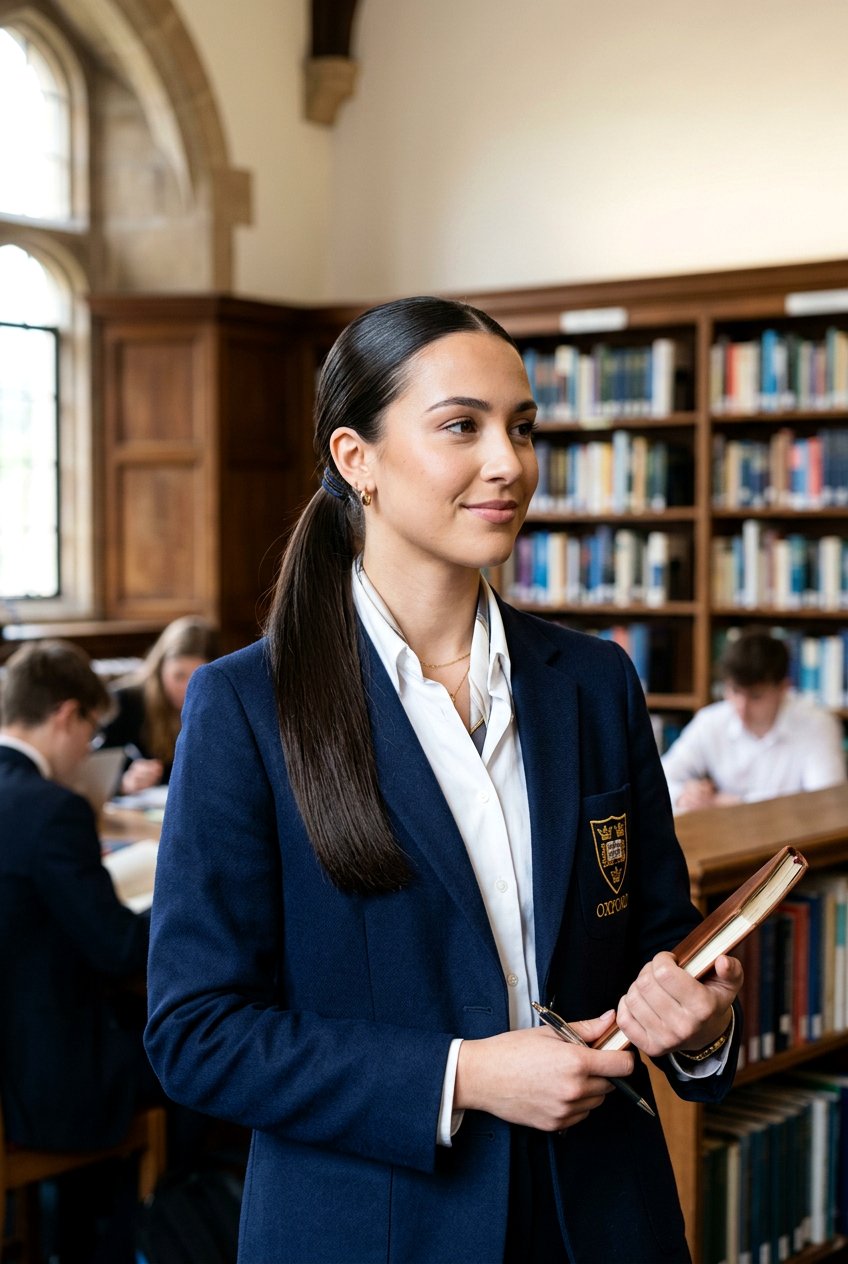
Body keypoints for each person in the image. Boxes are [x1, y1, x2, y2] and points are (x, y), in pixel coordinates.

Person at [144, 296, 743, 1264]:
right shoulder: (245, 706)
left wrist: (696, 1023)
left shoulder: (592, 680)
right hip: (371, 1230)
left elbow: (658, 933)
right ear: (356, 460)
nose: (507, 462)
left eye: (521, 426)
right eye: (460, 426)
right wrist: (460, 1076)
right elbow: (195, 1034)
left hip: (598, 1219)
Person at [0, 640, 154, 1261]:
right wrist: (184, 919)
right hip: (41, 1078)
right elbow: (117, 948)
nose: (86, 752)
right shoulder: (51, 809)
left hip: (12, 1051)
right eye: (91, 733)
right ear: (66, 715)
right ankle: (141, 1234)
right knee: (192, 1062)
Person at [662, 628, 847, 813]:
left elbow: (827, 804)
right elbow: (660, 777)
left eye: (756, 696)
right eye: (734, 691)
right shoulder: (711, 721)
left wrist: (733, 803)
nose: (741, 707)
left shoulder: (818, 725)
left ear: (783, 688)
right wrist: (685, 795)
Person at [100, 614, 219, 794]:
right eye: (179, 676)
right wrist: (122, 783)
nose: (187, 689)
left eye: (197, 679)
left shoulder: (222, 707)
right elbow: (97, 770)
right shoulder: (126, 701)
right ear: (160, 667)